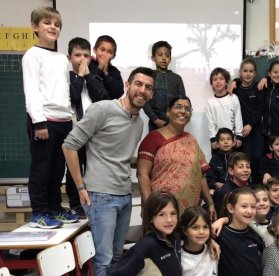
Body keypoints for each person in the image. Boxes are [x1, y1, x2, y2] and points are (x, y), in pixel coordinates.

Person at [63, 67, 155, 276]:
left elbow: (121, 157)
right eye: (138, 84)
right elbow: (69, 145)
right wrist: (80, 186)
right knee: (103, 258)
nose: (142, 90)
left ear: (152, 94)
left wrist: (149, 162)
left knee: (116, 255)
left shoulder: (139, 122)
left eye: (148, 87)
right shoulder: (102, 109)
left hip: (125, 195)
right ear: (127, 86)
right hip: (100, 195)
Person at [23, 7, 78, 229]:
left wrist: (70, 119)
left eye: (56, 24)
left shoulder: (61, 59)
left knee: (58, 169)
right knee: (42, 168)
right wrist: (39, 122)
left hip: (63, 120)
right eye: (47, 23)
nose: (53, 27)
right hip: (43, 120)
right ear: (35, 27)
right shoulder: (32, 55)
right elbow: (32, 91)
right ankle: (39, 213)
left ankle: (55, 209)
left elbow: (64, 91)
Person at [137, 96, 216, 219]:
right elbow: (142, 175)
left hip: (190, 215)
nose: (183, 111)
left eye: (187, 109)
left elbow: (201, 176)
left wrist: (210, 203)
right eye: (178, 107)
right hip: (160, 210)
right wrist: (149, 208)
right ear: (168, 111)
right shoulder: (153, 138)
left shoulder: (192, 140)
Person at [65, 37, 110, 218]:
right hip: (75, 131)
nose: (82, 59)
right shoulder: (67, 78)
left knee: (93, 167)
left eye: (85, 55)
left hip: (96, 134)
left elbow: (103, 98)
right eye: (77, 55)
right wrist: (80, 76)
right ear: (70, 58)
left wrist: (89, 76)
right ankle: (76, 205)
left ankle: (94, 202)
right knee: (74, 169)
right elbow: (73, 98)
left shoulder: (94, 77)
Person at [110, 192, 181, 276]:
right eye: (161, 214)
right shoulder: (145, 246)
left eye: (173, 213)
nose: (169, 220)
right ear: (151, 218)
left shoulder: (175, 238)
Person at [216, 187, 263, 276]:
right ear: (231, 208)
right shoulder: (220, 234)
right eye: (244, 206)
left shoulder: (255, 232)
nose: (249, 211)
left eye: (253, 207)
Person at [233, 58, 264, 183]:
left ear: (255, 73)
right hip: (242, 129)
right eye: (245, 71)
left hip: (256, 128)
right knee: (246, 158)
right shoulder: (236, 89)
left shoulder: (259, 87)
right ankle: (246, 183)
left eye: (251, 71)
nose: (248, 74)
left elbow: (260, 109)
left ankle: (257, 183)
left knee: (257, 157)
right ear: (240, 72)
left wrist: (251, 125)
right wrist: (233, 82)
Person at [143, 40, 186, 131]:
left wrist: (176, 121)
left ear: (170, 59)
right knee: (155, 145)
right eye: (160, 55)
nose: (164, 58)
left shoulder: (177, 79)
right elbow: (145, 101)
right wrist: (156, 120)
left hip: (174, 125)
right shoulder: (149, 78)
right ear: (153, 58)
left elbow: (182, 102)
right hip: (154, 125)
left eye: (167, 55)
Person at [206, 67, 243, 151]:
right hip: (218, 141)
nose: (218, 81)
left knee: (234, 163)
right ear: (212, 84)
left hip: (233, 140)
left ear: (226, 82)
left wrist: (239, 136)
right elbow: (210, 123)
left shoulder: (233, 98)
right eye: (215, 79)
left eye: (221, 79)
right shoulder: (210, 102)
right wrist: (213, 139)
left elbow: (238, 117)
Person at [259, 61, 279, 147]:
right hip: (264, 132)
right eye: (275, 72)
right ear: (269, 73)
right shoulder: (264, 86)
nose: (278, 75)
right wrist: (236, 81)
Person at [181, 206, 218, 276]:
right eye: (195, 227)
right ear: (185, 230)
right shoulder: (178, 256)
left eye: (205, 227)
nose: (201, 232)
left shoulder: (213, 251)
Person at [206, 128, 235, 193]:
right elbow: (209, 179)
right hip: (219, 190)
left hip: (235, 191)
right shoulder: (214, 159)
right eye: (222, 140)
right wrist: (215, 184)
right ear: (218, 144)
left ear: (233, 143)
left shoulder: (238, 158)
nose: (226, 142)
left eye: (228, 139)